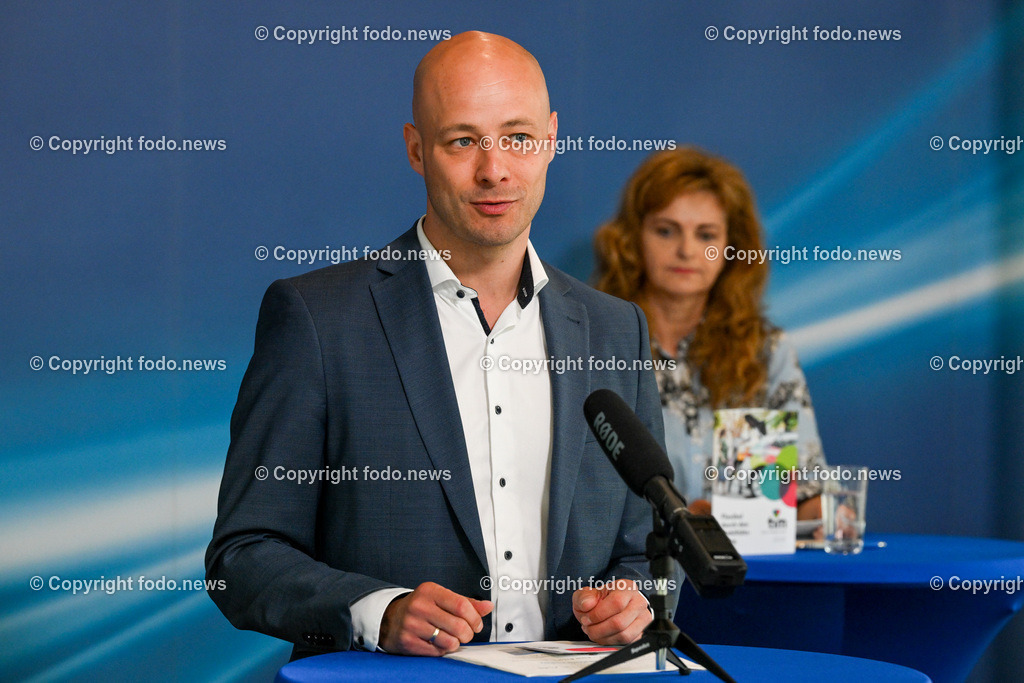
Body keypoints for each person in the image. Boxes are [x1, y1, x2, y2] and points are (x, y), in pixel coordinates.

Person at [206, 32, 664, 661]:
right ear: (416, 149)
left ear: (552, 139)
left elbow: (649, 547)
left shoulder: (617, 330)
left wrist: (636, 603)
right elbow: (242, 556)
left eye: (517, 138)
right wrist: (380, 611)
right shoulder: (317, 318)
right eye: (463, 140)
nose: (494, 169)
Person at [593, 147, 826, 520]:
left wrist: (824, 516)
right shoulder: (593, 344)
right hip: (625, 576)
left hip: (745, 575)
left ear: (732, 248)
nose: (686, 250)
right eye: (666, 231)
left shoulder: (763, 354)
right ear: (633, 238)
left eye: (706, 235)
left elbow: (806, 500)